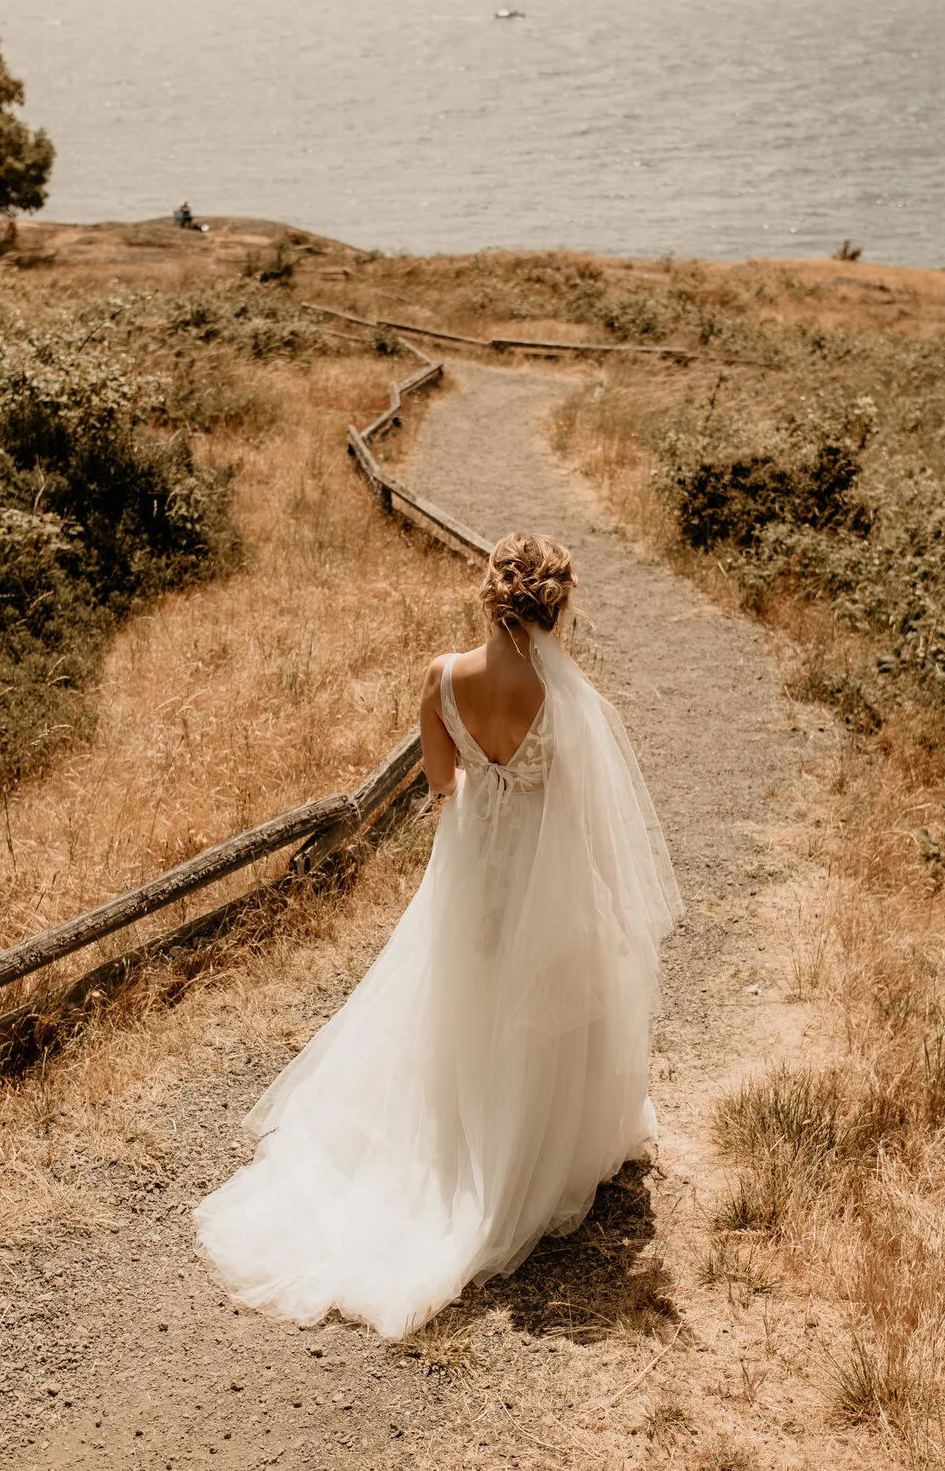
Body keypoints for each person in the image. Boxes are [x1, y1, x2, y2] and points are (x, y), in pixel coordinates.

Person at [193, 534, 680, 1339]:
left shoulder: (442, 676)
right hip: (535, 873)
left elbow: (439, 779)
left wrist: (487, 786)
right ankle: (523, 1146)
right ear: (555, 605)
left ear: (489, 597)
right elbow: (587, 820)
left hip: (466, 871)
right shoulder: (566, 701)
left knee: (459, 992)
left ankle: (454, 1135)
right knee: (538, 1001)